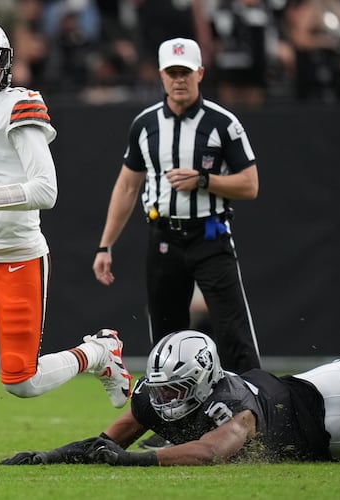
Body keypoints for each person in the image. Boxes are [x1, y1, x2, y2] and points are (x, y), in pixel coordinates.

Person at [0, 17, 131, 408]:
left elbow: (46, 190)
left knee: (22, 382)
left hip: (15, 259)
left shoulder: (18, 104)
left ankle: (99, 353)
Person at [0, 329, 340, 466]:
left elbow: (210, 452)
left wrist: (136, 461)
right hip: (327, 438)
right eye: (162, 384)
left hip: (313, 390)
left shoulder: (234, 404)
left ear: (202, 380)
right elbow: (106, 441)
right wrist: (48, 456)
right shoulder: (153, 396)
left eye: (175, 387)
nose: (163, 396)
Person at [92, 36, 261, 374]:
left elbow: (250, 184)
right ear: (161, 75)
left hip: (210, 236)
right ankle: (175, 419)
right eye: (172, 72)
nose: (179, 79)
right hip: (164, 237)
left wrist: (203, 180)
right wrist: (104, 245)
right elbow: (127, 186)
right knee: (167, 338)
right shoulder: (145, 124)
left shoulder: (222, 123)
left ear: (200, 72)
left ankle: (255, 411)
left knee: (233, 332)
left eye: (185, 72)